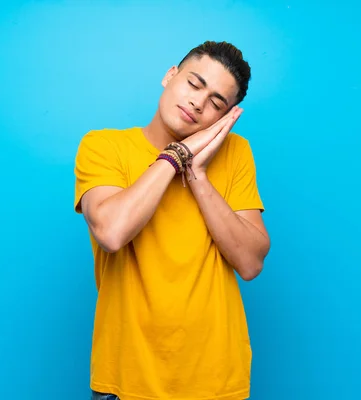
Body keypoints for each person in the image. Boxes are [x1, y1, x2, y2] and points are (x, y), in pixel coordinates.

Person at [74, 40, 271, 400]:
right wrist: (175, 156)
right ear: (170, 76)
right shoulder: (104, 147)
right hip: (125, 379)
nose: (198, 103)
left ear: (227, 115)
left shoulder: (236, 154)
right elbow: (112, 232)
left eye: (216, 102)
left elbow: (250, 261)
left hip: (216, 381)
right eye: (195, 84)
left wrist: (198, 175)